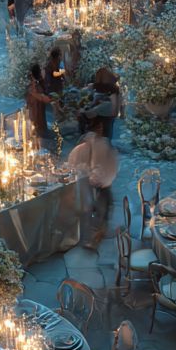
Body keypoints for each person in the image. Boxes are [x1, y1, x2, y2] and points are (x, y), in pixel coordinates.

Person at [68, 118, 119, 248]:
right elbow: (109, 163)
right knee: (103, 207)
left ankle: (94, 235)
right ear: (99, 127)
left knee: (101, 206)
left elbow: (74, 160)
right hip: (100, 180)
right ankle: (94, 237)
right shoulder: (102, 143)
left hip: (92, 180)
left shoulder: (85, 143)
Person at [83, 68, 120, 139]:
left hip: (99, 118)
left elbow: (114, 110)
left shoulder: (110, 89)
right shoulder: (112, 88)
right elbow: (114, 110)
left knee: (99, 138)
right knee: (105, 138)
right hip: (103, 118)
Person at [25, 63, 54, 140]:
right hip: (36, 128)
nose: (44, 70)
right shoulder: (33, 88)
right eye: (42, 69)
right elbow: (45, 99)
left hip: (40, 126)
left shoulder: (38, 85)